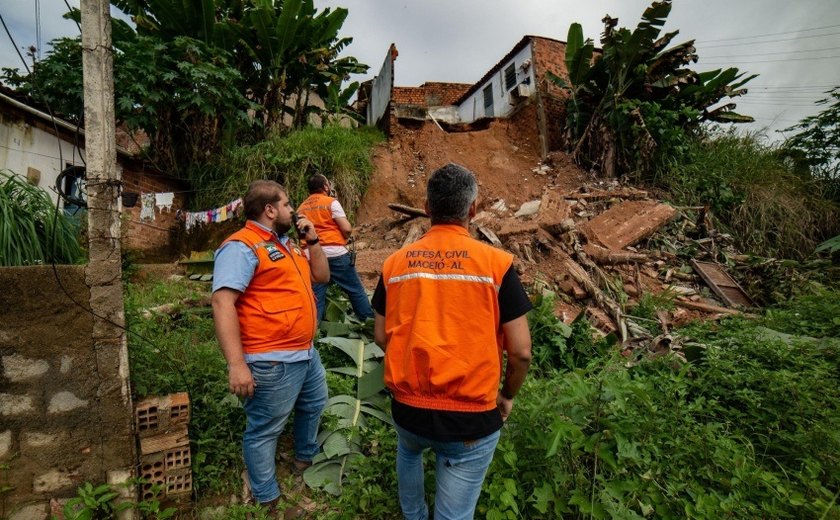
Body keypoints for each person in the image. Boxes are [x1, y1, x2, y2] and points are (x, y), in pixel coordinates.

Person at [372, 163, 533, 520]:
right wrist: (506, 396)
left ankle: (413, 514)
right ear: (473, 209)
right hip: (470, 419)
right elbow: (521, 352)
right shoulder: (497, 265)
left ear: (427, 208)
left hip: (408, 410)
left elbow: (382, 335)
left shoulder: (394, 265)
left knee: (409, 450)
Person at [211, 180, 330, 515]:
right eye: (288, 204)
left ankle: (304, 459)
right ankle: (268, 497)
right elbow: (222, 302)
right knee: (265, 429)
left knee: (315, 403)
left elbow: (321, 276)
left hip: (305, 353)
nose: (294, 211)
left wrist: (314, 241)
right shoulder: (242, 246)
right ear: (270, 209)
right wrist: (236, 364)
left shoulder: (289, 246)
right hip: (271, 359)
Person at [297, 174, 374, 322]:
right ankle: (367, 321)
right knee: (355, 290)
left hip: (312, 256)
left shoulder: (301, 208)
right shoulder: (331, 202)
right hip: (335, 253)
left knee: (316, 297)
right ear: (325, 187)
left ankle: (314, 330)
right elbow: (346, 228)